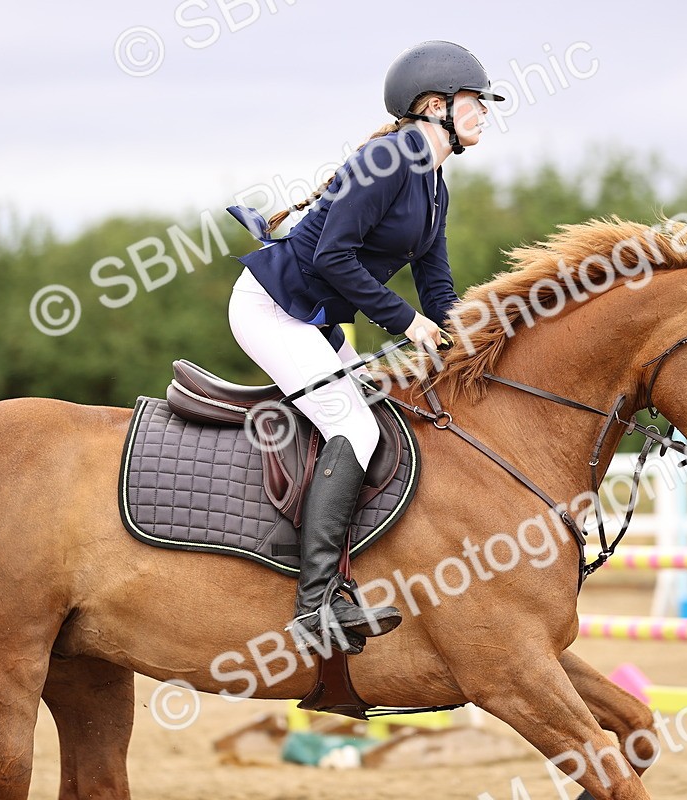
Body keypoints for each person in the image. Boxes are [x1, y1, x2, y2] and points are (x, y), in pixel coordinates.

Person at [225, 41, 503, 654]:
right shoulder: (387, 160)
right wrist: (405, 323)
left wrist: (467, 339)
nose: (485, 111)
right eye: (475, 101)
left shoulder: (433, 184)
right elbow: (331, 256)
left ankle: (343, 578)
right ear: (435, 106)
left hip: (310, 319)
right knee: (353, 425)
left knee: (378, 413)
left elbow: (436, 280)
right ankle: (314, 605)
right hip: (272, 307)